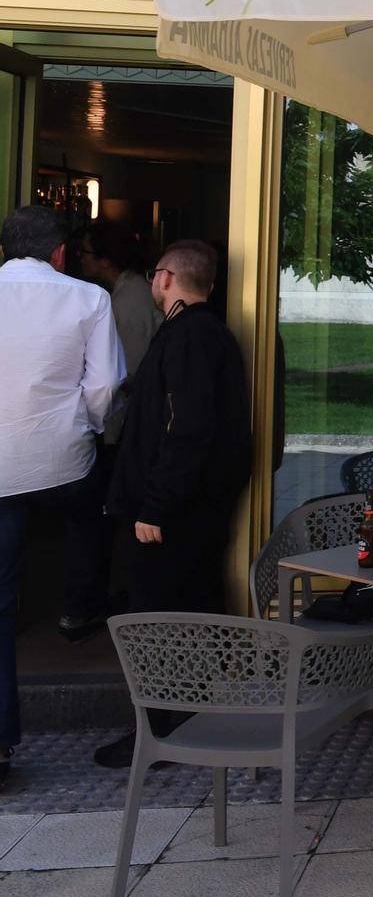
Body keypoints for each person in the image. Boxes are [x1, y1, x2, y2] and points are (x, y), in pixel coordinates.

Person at [96, 240, 252, 769]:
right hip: (188, 511)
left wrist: (155, 508)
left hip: (174, 515)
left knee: (155, 623)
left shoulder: (191, 337)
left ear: (165, 278)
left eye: (154, 274)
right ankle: (182, 723)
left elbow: (189, 430)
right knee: (182, 616)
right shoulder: (204, 335)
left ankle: (160, 730)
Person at [0, 205, 122, 784]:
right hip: (64, 462)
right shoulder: (89, 298)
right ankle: (80, 607)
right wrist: (86, 427)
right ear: (59, 252)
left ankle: (0, 746)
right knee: (96, 514)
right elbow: (102, 387)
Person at [61, 221, 161, 640]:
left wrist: (98, 419)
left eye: (85, 253)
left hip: (120, 426)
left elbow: (125, 374)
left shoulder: (126, 300)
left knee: (99, 518)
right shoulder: (124, 294)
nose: (80, 261)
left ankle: (94, 604)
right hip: (120, 423)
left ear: (104, 259)